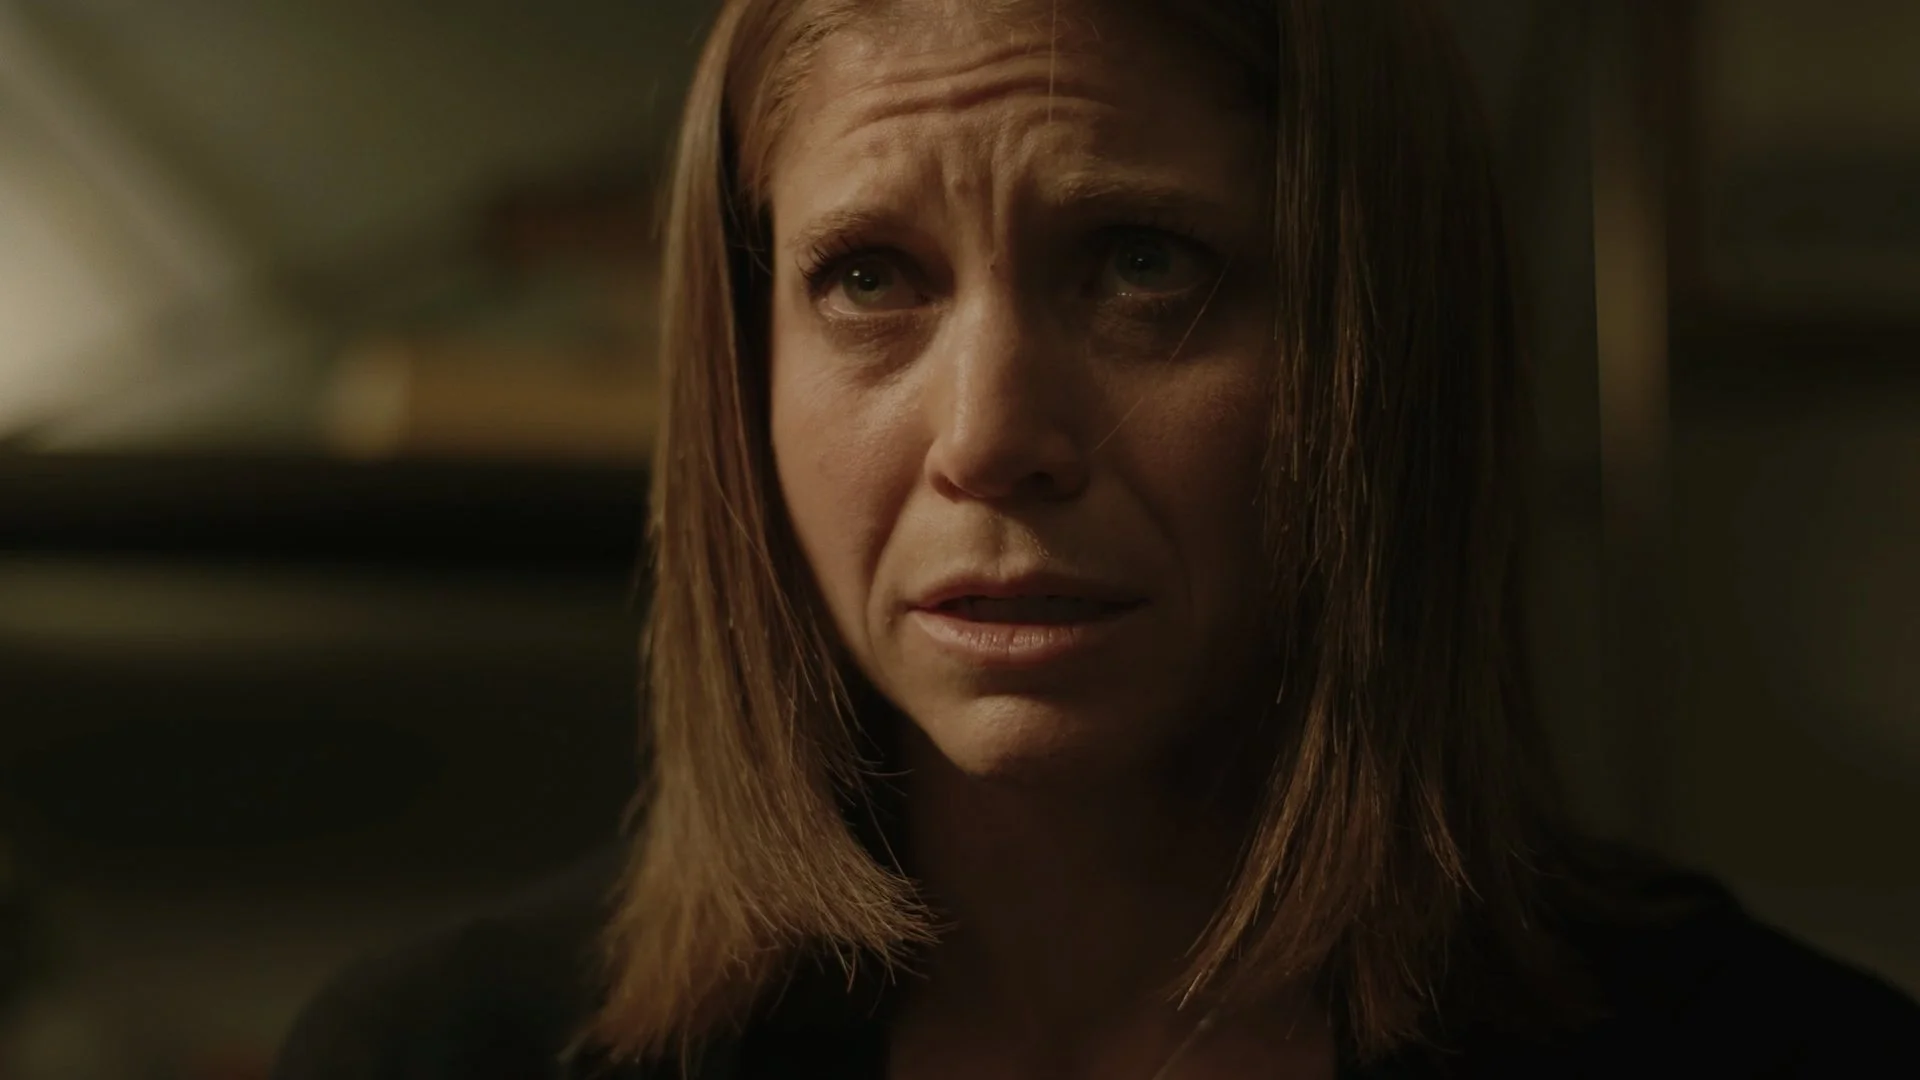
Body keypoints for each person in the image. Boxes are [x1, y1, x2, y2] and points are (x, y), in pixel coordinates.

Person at [273, 1, 1920, 1077]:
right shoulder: (445, 1056)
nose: (990, 436)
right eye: (869, 278)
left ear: (1378, 349)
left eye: (1141, 264)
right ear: (743, 369)